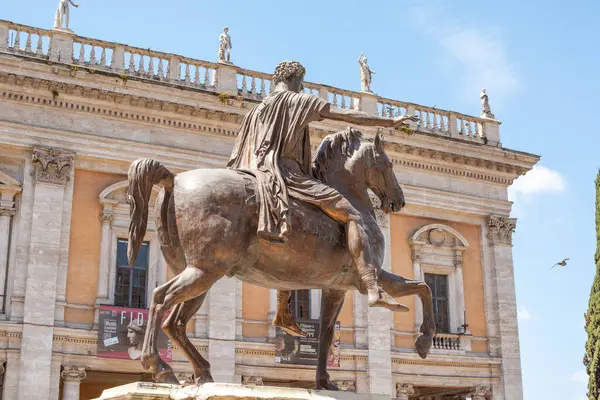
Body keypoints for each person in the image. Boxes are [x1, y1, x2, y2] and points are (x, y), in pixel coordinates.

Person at [227, 60, 417, 336]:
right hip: (287, 174)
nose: (302, 86)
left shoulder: (256, 110)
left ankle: (283, 310)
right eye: (301, 82)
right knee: (351, 213)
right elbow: (346, 116)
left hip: (254, 174)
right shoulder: (296, 100)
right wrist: (389, 121)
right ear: (296, 79)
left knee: (291, 233)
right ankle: (373, 285)